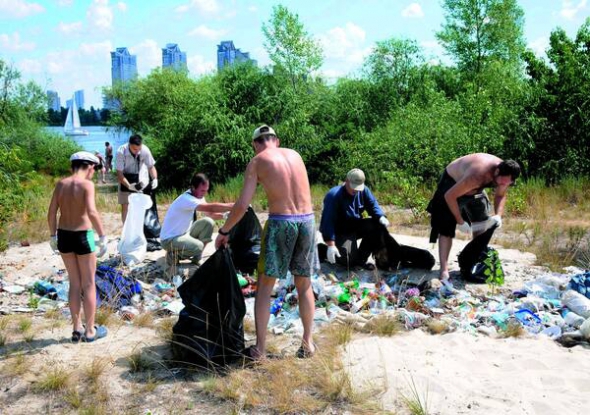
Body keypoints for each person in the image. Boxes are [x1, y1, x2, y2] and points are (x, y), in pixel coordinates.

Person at [215, 125, 316, 360]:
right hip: (308, 221)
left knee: (265, 286)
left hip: (281, 223)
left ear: (255, 144)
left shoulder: (258, 161)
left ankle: (259, 349)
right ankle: (308, 343)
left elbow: (242, 205)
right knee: (304, 284)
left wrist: (224, 230)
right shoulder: (296, 155)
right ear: (276, 141)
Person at [427, 153, 521, 281]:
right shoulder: (478, 175)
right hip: (452, 184)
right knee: (446, 226)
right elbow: (450, 196)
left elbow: (500, 195)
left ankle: (474, 258)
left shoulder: (505, 175)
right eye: (501, 182)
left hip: (475, 189)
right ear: (497, 171)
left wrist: (498, 215)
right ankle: (444, 269)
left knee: (482, 221)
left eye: (506, 183)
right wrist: (460, 222)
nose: (502, 185)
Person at [47, 151, 108, 343]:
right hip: (83, 236)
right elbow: (91, 211)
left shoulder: (61, 184)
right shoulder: (87, 185)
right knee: (89, 284)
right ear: (90, 166)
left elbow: (51, 213)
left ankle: (76, 328)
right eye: (94, 169)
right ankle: (90, 331)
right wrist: (103, 236)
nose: (93, 173)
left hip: (64, 235)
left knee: (74, 282)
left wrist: (52, 235)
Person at [160, 173, 233, 276]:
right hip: (169, 239)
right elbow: (211, 208)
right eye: (202, 190)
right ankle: (173, 255)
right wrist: (234, 206)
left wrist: (225, 215)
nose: (204, 193)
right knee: (198, 247)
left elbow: (210, 214)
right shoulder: (186, 199)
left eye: (206, 191)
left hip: (183, 234)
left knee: (208, 222)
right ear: (193, 187)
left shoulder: (198, 196)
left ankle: (196, 260)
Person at [319, 168, 390, 270]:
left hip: (355, 226)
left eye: (358, 188)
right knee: (347, 262)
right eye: (353, 187)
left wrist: (380, 216)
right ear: (347, 181)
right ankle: (323, 250)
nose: (355, 190)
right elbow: (327, 222)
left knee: (377, 226)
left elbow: (372, 204)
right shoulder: (334, 196)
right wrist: (330, 244)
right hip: (340, 232)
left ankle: (360, 260)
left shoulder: (363, 190)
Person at [116, 134, 158, 223]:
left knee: (142, 205)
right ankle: (126, 231)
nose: (137, 151)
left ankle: (143, 230)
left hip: (141, 179)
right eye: (135, 149)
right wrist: (129, 186)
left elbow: (151, 166)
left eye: (139, 149)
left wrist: (155, 179)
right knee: (125, 205)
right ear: (129, 145)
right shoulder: (121, 151)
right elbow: (119, 173)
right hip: (125, 179)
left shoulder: (145, 150)